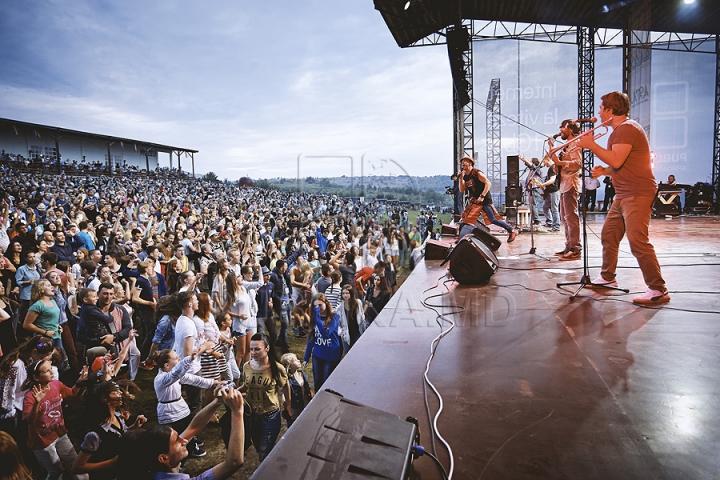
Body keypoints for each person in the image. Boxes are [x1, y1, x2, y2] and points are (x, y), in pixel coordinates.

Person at [578, 91, 669, 305]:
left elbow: (618, 160)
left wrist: (591, 145)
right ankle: (608, 278)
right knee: (609, 235)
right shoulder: (620, 131)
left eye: (601, 108)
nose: (599, 112)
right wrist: (605, 171)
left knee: (638, 241)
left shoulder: (626, 129)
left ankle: (658, 289)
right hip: (623, 194)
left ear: (610, 110)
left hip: (636, 193)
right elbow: (623, 164)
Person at [117, 385, 245, 480]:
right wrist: (237, 412)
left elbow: (194, 427)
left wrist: (217, 401)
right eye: (177, 441)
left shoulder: (150, 466)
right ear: (163, 458)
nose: (184, 440)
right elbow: (234, 462)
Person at [22, 360, 89, 480]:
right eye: (47, 371)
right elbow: (29, 421)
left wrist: (79, 382)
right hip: (42, 442)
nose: (52, 372)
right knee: (56, 471)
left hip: (60, 434)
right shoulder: (30, 397)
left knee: (75, 464)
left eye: (50, 368)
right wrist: (37, 403)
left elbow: (72, 392)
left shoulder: (56, 384)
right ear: (36, 378)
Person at [71, 380, 146, 480]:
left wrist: (134, 426)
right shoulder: (95, 435)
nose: (120, 393)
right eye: (115, 392)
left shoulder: (118, 416)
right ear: (105, 399)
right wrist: (111, 462)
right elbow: (77, 467)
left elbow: (120, 435)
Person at [240, 333, 290, 462]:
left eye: (257, 349)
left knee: (264, 453)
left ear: (267, 348)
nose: (253, 352)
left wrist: (288, 403)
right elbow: (246, 386)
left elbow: (285, 385)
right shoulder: (246, 366)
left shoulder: (277, 368)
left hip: (270, 418)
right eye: (251, 349)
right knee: (259, 448)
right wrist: (233, 392)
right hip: (252, 417)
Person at [457, 156, 516, 243]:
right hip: (476, 202)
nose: (462, 163)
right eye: (462, 162)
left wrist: (482, 196)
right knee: (465, 218)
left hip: (484, 200)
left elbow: (488, 183)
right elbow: (462, 189)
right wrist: (460, 178)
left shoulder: (477, 173)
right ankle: (461, 239)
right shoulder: (465, 176)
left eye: (465, 161)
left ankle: (511, 230)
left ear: (470, 163)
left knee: (493, 219)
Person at [548, 119, 582, 260]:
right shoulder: (567, 145)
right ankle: (569, 246)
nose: (559, 129)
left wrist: (560, 162)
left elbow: (578, 163)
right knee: (565, 218)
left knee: (571, 217)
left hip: (571, 184)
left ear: (569, 128)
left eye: (562, 127)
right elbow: (558, 165)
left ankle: (575, 249)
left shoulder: (575, 143)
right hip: (564, 185)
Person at [303, 293, 341, 391]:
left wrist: (317, 317)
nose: (318, 308)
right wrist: (306, 357)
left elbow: (325, 333)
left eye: (320, 305)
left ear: (326, 303)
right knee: (317, 382)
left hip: (330, 356)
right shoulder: (315, 318)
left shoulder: (334, 317)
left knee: (326, 383)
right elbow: (311, 339)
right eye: (315, 306)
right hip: (317, 355)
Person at [22, 280, 62, 349]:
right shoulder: (38, 305)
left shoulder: (53, 301)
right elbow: (27, 325)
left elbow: (50, 318)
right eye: (49, 286)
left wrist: (57, 326)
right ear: (41, 290)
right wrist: (45, 332)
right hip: (43, 339)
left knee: (60, 358)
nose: (52, 287)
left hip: (57, 336)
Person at [279, 353, 312, 428]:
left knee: (306, 422)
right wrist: (284, 399)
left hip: (306, 402)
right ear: (289, 366)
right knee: (294, 424)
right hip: (295, 407)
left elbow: (307, 387)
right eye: (295, 360)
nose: (299, 361)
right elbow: (283, 390)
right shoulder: (287, 379)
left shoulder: (301, 373)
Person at [337, 285, 366, 353]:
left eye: (347, 293)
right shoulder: (340, 307)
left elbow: (362, 316)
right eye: (343, 293)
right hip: (346, 334)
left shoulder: (358, 303)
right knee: (347, 353)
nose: (345, 295)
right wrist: (341, 333)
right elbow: (338, 323)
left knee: (357, 352)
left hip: (357, 332)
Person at [540, 156, 561, 232]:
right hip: (550, 191)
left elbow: (552, 180)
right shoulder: (551, 168)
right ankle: (549, 222)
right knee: (545, 206)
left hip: (554, 191)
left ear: (548, 159)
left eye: (544, 161)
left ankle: (556, 227)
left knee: (554, 209)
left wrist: (543, 184)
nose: (544, 163)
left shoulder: (552, 168)